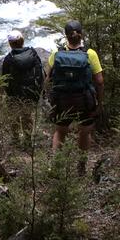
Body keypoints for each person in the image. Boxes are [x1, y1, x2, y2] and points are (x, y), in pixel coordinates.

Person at [46, 20, 104, 174]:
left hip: (61, 100)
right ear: (81, 34)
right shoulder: (90, 54)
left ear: (66, 36)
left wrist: (50, 98)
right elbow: (99, 81)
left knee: (60, 131)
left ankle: (56, 166)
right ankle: (81, 167)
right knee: (84, 132)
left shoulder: (56, 54)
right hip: (84, 100)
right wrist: (99, 103)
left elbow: (47, 79)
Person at [0, 30, 44, 146]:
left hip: (14, 94)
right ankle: (28, 140)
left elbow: (4, 79)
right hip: (30, 92)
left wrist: (0, 95)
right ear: (22, 41)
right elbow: (41, 73)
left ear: (10, 44)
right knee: (27, 116)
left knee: (14, 115)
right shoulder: (33, 53)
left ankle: (15, 139)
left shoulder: (9, 58)